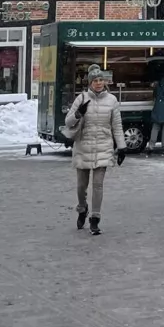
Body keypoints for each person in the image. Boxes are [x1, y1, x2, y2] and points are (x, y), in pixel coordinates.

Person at [63, 66, 124, 236]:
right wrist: (78, 114)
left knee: (98, 185)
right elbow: (67, 122)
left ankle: (95, 219)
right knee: (81, 186)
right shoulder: (81, 98)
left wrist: (122, 146)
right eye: (95, 80)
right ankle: (82, 208)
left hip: (103, 146)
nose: (98, 83)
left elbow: (117, 126)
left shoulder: (112, 100)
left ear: (105, 81)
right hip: (83, 146)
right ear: (90, 82)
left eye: (101, 80)